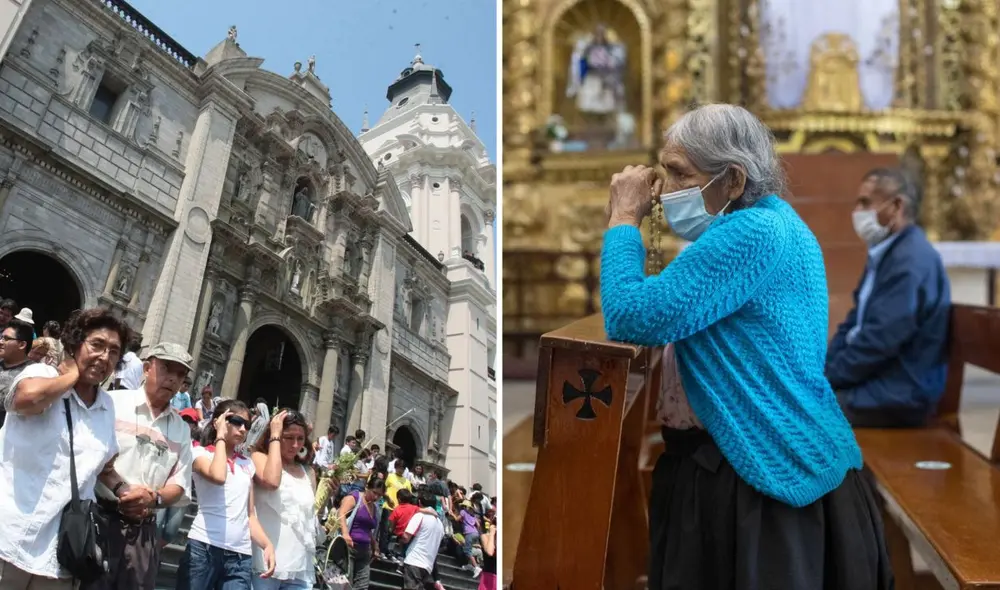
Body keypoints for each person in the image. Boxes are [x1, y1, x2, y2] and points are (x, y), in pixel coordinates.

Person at [600, 103, 893, 589]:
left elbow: (632, 315)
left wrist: (625, 217)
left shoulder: (752, 232)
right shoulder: (764, 222)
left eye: (679, 173)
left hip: (760, 479)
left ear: (732, 180)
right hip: (741, 459)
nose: (664, 190)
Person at [0, 308, 132, 587]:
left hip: (60, 555)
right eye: (97, 345)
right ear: (74, 344)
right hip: (8, 537)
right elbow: (24, 400)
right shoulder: (42, 373)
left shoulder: (106, 406)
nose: (104, 357)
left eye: (114, 351)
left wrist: (125, 490)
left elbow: (104, 467)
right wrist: (70, 377)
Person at [826, 168, 951, 427]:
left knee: (796, 416)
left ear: (896, 206)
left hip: (899, 393)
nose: (857, 212)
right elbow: (854, 323)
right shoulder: (888, 253)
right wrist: (824, 369)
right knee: (796, 404)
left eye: (865, 203)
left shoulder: (910, 261)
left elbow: (879, 340)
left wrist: (828, 378)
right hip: (877, 382)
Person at [87, 342, 196, 590]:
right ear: (147, 368)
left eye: (180, 374)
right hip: (98, 519)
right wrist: (124, 491)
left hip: (143, 532)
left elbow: (179, 484)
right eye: (166, 369)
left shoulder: (180, 429)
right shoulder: (112, 403)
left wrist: (154, 498)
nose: (173, 379)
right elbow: (92, 454)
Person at [177, 399, 276, 589]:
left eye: (247, 425)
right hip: (203, 548)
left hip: (240, 556)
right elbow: (218, 475)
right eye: (236, 421)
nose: (243, 429)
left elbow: (250, 515)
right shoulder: (200, 453)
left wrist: (267, 544)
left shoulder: (247, 464)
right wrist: (220, 437)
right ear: (219, 422)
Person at [250, 409, 318, 589]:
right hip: (265, 563)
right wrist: (275, 435)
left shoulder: (308, 472)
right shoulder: (259, 458)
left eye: (300, 438)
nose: (295, 445)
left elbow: (309, 514)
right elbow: (272, 481)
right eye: (288, 437)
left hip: (299, 565)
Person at [337, 474, 386, 590]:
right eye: (374, 492)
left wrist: (374, 544)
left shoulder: (375, 508)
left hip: (364, 551)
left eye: (379, 495)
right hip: (348, 548)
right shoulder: (355, 497)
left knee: (362, 585)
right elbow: (341, 514)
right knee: (345, 585)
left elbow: (368, 529)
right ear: (367, 488)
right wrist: (345, 534)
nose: (376, 497)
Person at [399, 490, 445, 590]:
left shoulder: (420, 516)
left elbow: (406, 537)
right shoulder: (440, 524)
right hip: (428, 565)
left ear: (419, 502)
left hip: (414, 560)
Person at [0, 319, 35, 428]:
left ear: (22, 344)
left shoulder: (33, 372)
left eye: (6, 339)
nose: (1, 342)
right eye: (1, 337)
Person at [477, 513, 497, 590]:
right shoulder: (485, 536)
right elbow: (489, 552)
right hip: (488, 578)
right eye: (495, 522)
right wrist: (492, 533)